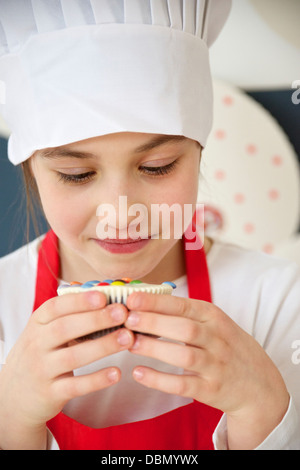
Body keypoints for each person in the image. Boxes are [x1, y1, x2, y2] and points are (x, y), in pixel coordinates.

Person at [0, 0, 299, 450]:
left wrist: (263, 410)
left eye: (157, 166)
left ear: (199, 153)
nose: (120, 214)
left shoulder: (280, 299)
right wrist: (11, 422)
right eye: (77, 175)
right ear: (32, 171)